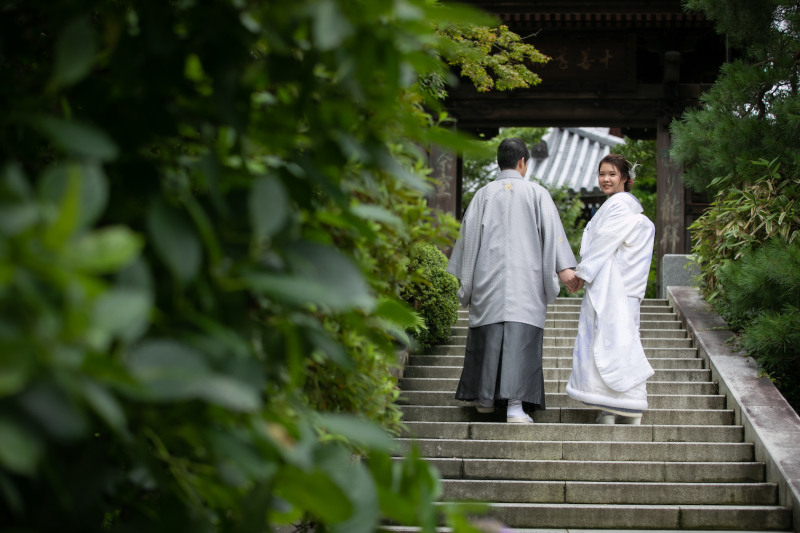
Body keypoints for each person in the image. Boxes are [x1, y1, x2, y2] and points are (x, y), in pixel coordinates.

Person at [447, 138, 579, 424]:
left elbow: (467, 241)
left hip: (487, 278)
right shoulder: (537, 193)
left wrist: (465, 281)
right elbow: (553, 234)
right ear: (522, 163)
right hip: (525, 281)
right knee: (520, 340)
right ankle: (515, 407)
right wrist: (564, 269)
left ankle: (484, 400)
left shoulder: (482, 195)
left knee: (489, 336)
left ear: (499, 163)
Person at [565, 154, 656, 425]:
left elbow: (602, 243)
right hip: (620, 288)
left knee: (614, 344)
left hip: (614, 288)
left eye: (612, 174)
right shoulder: (622, 206)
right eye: (602, 174)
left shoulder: (619, 205)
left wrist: (581, 274)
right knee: (617, 344)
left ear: (625, 179)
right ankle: (617, 407)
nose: (605, 179)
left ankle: (619, 408)